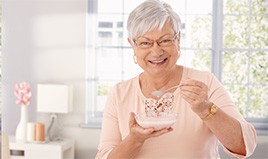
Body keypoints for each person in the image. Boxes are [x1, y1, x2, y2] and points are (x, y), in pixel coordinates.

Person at [95, 0, 256, 158]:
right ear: (132, 44)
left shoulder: (204, 83)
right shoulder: (119, 93)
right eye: (145, 43)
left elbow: (244, 145)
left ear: (178, 40)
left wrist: (205, 109)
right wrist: (135, 140)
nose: (156, 51)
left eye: (165, 40)